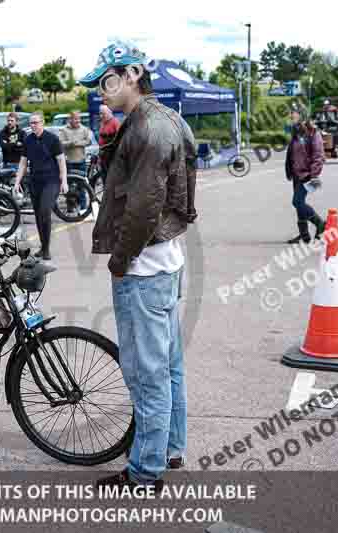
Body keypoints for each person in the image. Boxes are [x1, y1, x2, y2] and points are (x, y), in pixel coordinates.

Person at [80, 41, 197, 489]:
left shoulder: (146, 127)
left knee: (147, 373)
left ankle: (145, 471)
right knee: (167, 366)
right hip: (167, 262)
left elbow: (145, 207)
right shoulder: (167, 119)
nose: (101, 91)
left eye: (107, 81)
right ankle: (169, 449)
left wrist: (120, 260)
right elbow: (180, 192)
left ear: (131, 74)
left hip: (145, 268)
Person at [14, 113, 67, 261]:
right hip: (35, 181)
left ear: (43, 123)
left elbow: (61, 160)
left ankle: (46, 248)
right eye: (31, 123)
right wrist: (17, 181)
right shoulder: (28, 140)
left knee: (45, 211)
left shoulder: (52, 139)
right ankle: (43, 248)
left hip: (51, 180)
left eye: (36, 123)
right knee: (38, 215)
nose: (33, 126)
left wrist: (64, 181)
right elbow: (23, 162)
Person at [285, 116, 326, 244]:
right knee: (299, 203)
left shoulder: (313, 133)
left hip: (307, 174)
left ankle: (320, 223)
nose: (291, 117)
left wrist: (313, 174)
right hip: (297, 174)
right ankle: (304, 235)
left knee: (297, 202)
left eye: (294, 114)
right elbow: (292, 153)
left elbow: (318, 155)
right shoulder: (296, 132)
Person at [58, 111, 92, 175]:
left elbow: (89, 142)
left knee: (82, 181)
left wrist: (78, 143)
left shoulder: (84, 129)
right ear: (70, 119)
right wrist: (70, 143)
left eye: (79, 119)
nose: (78, 121)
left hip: (81, 161)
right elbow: (60, 143)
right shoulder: (64, 130)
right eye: (76, 119)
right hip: (69, 161)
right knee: (71, 181)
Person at [98, 105, 121, 172]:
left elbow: (120, 138)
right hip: (104, 155)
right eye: (100, 113)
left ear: (109, 112)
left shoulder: (115, 122)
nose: (101, 116)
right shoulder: (103, 123)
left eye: (103, 114)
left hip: (112, 156)